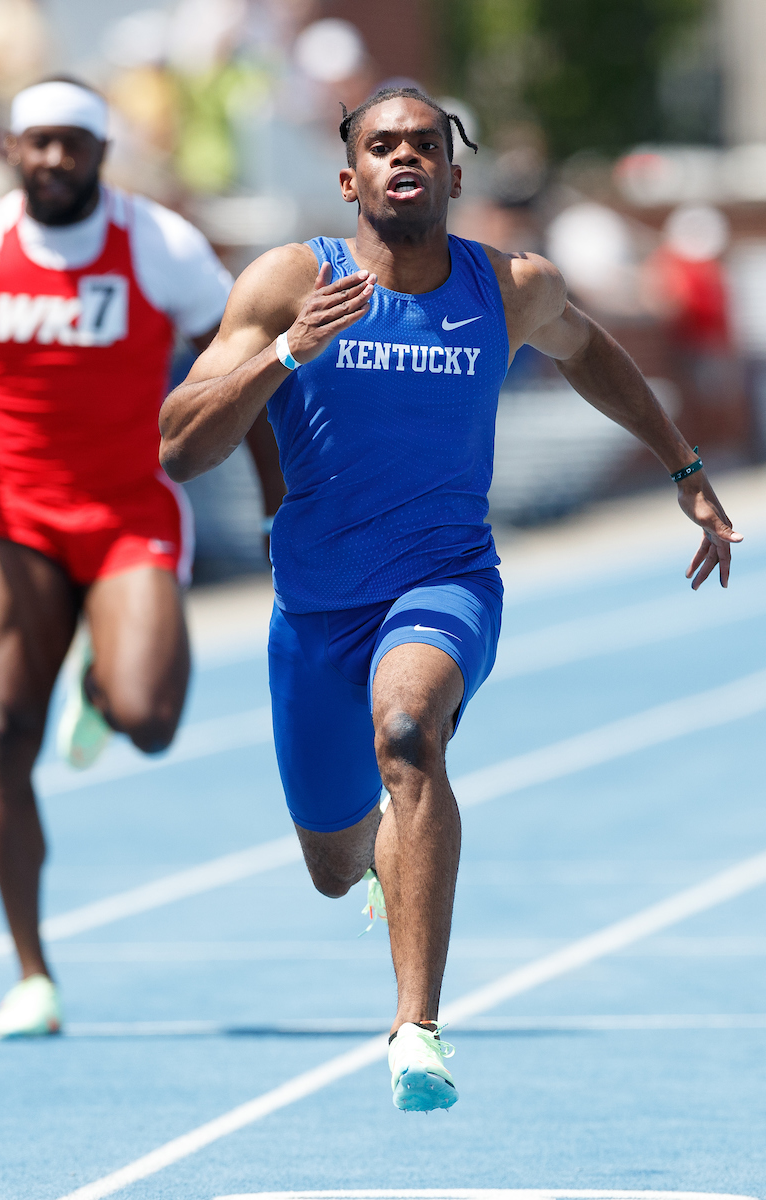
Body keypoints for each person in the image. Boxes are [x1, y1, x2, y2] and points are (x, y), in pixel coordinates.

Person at [158, 86, 742, 1112]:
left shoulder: (508, 286)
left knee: (409, 732)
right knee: (334, 867)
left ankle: (414, 1029)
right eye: (382, 146)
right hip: (316, 607)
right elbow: (179, 442)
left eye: (424, 144)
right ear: (350, 180)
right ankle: (387, 856)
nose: (404, 158)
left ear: (454, 174)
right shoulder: (291, 280)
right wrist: (287, 350)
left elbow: (591, 350)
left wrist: (681, 461)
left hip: (446, 579)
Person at [0, 78, 283, 1038]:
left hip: (131, 511)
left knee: (151, 720)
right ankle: (31, 974)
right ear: (12, 149)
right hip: (21, 518)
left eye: (70, 145)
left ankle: (102, 672)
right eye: (35, 143)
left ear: (99, 151)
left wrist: (280, 500)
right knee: (4, 732)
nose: (52, 160)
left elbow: (242, 373)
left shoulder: (161, 248)